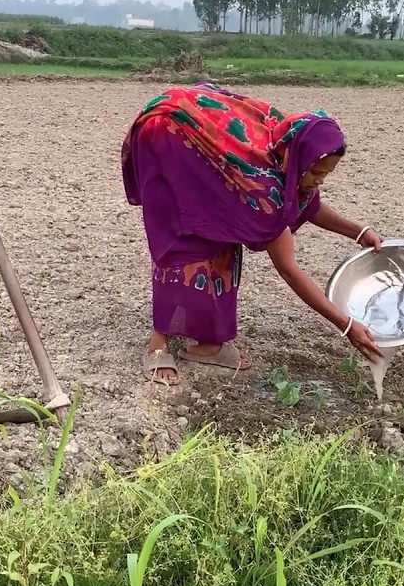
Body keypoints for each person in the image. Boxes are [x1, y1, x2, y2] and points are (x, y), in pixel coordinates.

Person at [121, 81, 385, 384]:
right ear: (300, 159)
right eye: (316, 172)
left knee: (223, 241)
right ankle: (158, 342)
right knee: (185, 243)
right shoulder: (263, 191)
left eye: (326, 173)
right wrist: (346, 325)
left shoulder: (289, 147)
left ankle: (208, 343)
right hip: (166, 137)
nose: (320, 181)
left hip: (206, 144)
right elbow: (288, 270)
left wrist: (358, 231)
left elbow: (307, 203)